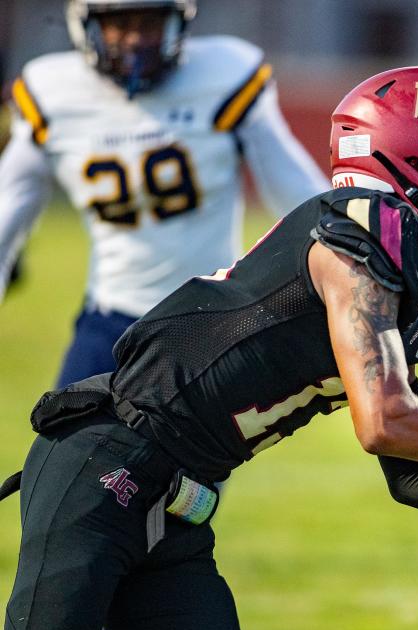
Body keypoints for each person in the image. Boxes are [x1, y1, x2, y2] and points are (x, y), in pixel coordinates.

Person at [0, 66, 418, 630]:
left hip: (176, 501)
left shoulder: (404, 276)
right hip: (103, 466)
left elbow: (413, 475)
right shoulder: (375, 224)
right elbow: (384, 423)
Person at [0, 0, 329, 388]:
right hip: (111, 316)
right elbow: (8, 211)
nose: (137, 39)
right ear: (85, 26)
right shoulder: (53, 93)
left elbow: (296, 192)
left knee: (199, 448)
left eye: (151, 23)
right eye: (120, 24)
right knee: (62, 442)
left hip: (212, 317)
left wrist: (348, 240)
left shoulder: (223, 75)